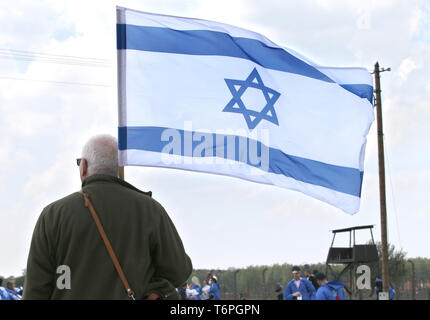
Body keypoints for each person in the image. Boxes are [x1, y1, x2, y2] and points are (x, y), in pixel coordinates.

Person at [23, 135, 192, 299]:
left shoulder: (52, 215)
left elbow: (35, 291)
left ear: (83, 167)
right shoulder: (151, 210)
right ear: (119, 169)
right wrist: (156, 289)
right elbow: (179, 271)